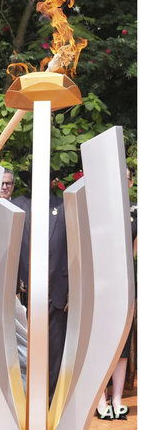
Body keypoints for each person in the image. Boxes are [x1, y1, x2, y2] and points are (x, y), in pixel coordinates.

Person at [12, 170, 68, 400]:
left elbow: (74, 248)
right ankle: (26, 403)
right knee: (24, 353)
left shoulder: (64, 207)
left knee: (55, 353)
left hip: (57, 292)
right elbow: (10, 249)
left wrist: (72, 289)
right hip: (23, 294)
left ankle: (50, 404)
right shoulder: (17, 207)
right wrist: (15, 283)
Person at [94, 166, 137, 421]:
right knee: (100, 342)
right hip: (98, 284)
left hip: (125, 282)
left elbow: (134, 254)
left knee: (122, 342)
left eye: (127, 178)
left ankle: (118, 398)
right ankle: (100, 399)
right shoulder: (98, 210)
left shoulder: (137, 213)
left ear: (131, 183)